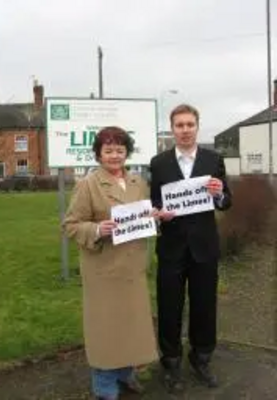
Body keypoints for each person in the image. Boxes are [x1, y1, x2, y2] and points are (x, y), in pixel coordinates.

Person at [63, 126, 158, 400]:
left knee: (130, 325)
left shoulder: (139, 183)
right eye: (108, 150)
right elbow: (70, 226)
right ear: (98, 154)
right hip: (103, 269)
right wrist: (96, 230)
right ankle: (104, 386)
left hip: (132, 268)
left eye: (119, 149)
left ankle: (125, 374)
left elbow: (140, 217)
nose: (115, 155)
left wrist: (153, 215)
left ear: (126, 151)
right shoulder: (88, 185)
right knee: (106, 329)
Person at [150, 104, 232, 392]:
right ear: (172, 129)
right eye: (179, 125)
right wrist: (159, 213)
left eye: (189, 124)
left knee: (204, 305)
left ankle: (201, 357)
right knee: (169, 306)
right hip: (172, 246)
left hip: (204, 247)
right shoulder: (158, 163)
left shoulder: (213, 159)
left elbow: (226, 200)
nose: (185, 130)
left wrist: (219, 193)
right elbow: (154, 204)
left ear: (197, 127)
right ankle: (170, 361)